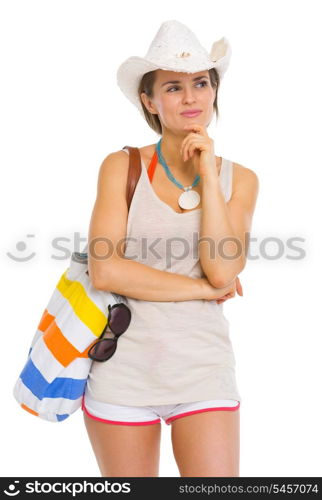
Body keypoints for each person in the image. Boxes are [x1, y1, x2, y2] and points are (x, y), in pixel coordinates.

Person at [82, 19, 259, 477]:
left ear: (214, 90)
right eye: (173, 87)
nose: (191, 98)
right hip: (122, 370)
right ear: (150, 100)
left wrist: (208, 176)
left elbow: (222, 272)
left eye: (201, 83)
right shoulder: (121, 166)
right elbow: (106, 272)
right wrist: (200, 291)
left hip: (203, 367)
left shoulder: (240, 180)